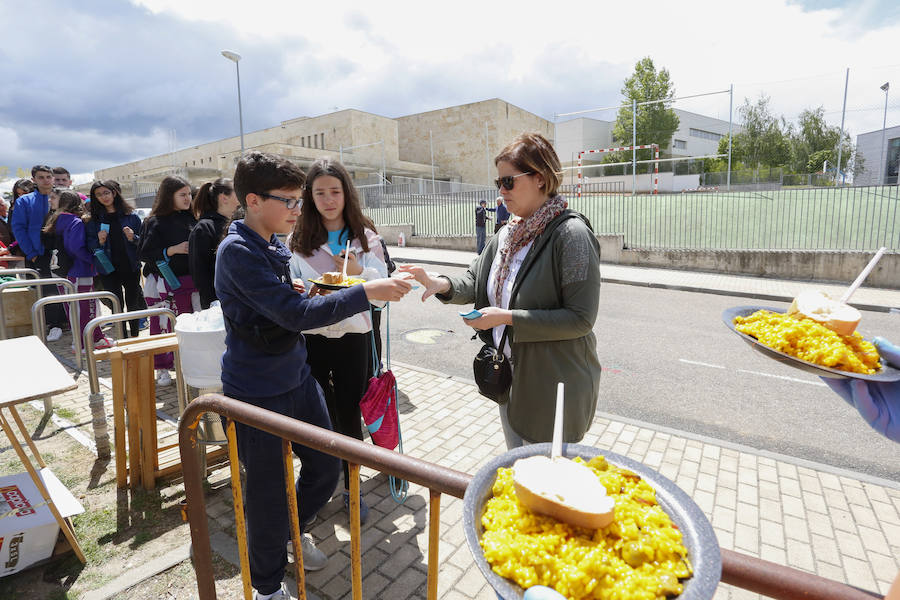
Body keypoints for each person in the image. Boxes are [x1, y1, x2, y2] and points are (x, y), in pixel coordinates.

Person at [215, 151, 410, 599]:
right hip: (257, 392)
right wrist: (364, 291)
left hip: (297, 378)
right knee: (265, 492)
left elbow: (285, 300)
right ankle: (265, 586)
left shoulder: (271, 243)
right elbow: (294, 315)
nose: (297, 209)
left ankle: (290, 530)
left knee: (325, 467)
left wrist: (298, 286)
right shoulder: (237, 251)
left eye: (297, 199)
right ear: (252, 200)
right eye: (288, 200)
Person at [399, 132, 602, 449]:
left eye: (508, 181)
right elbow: (476, 279)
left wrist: (507, 318)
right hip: (511, 382)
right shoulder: (508, 233)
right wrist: (440, 283)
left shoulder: (571, 235)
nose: (501, 191)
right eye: (498, 183)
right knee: (516, 471)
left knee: (544, 488)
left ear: (539, 178)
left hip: (553, 388)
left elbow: (580, 318)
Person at [288, 158, 388, 524]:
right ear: (309, 197)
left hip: (353, 337)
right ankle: (317, 486)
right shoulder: (297, 239)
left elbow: (382, 294)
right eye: (320, 193)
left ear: (346, 193)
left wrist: (363, 272)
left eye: (335, 191)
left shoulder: (365, 237)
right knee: (316, 415)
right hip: (313, 338)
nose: (329, 200)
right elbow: (292, 288)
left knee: (348, 413)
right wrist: (300, 290)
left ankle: (351, 487)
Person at [138, 175, 198, 386]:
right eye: (182, 194)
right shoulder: (154, 221)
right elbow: (145, 253)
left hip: (191, 283)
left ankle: (189, 365)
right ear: (168, 196)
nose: (187, 198)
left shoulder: (192, 218)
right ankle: (162, 368)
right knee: (163, 325)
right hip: (167, 284)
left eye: (189, 194)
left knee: (189, 326)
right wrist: (172, 250)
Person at [43, 190, 115, 350]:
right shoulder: (74, 222)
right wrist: (93, 260)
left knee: (74, 309)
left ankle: (93, 339)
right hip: (78, 270)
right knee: (85, 308)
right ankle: (84, 343)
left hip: (63, 271)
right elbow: (75, 247)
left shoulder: (58, 220)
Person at [11, 166, 68, 341]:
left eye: (49, 176)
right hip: (40, 252)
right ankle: (54, 324)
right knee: (48, 289)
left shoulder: (63, 197)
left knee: (67, 285)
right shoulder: (25, 201)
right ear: (34, 180)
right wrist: (32, 253)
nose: (46, 180)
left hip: (65, 250)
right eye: (41, 177)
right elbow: (18, 228)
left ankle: (69, 321)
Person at [85, 180, 146, 338]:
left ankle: (134, 335)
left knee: (133, 302)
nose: (103, 197)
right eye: (98, 194)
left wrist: (133, 237)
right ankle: (122, 336)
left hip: (130, 264)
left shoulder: (131, 216)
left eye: (106, 192)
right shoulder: (94, 220)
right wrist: (100, 241)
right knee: (115, 303)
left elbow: (143, 242)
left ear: (114, 193)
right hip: (107, 267)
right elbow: (91, 245)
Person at [188, 178, 238, 309]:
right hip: (218, 304)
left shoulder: (236, 224)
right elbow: (200, 274)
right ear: (224, 198)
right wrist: (213, 303)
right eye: (237, 193)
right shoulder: (203, 229)